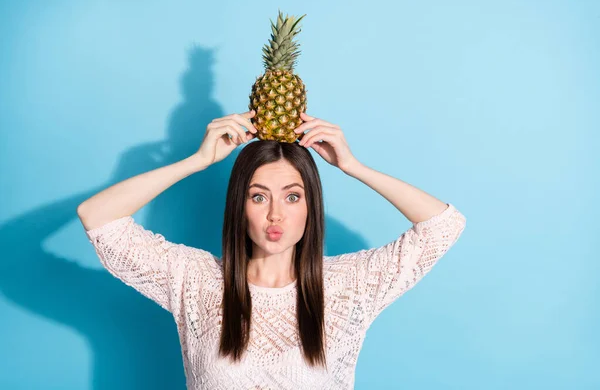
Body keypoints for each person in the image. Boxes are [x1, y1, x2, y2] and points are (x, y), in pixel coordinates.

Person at [77, 110, 467, 389]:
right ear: (239, 206)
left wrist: (353, 166)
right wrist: (197, 162)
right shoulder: (194, 280)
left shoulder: (351, 287)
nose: (276, 215)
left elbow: (443, 225)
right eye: (259, 197)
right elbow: (97, 216)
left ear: (311, 205)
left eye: (292, 197)